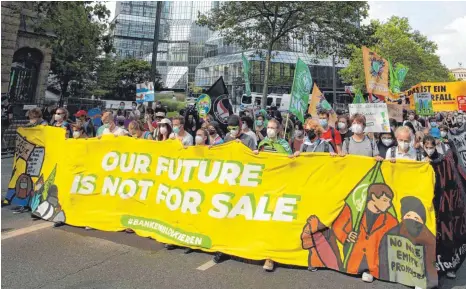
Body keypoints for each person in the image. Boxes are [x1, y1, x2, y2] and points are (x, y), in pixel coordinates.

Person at [332, 183, 398, 283]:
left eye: (389, 201)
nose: (389, 204)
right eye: (385, 200)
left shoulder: (391, 221)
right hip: (352, 261)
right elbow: (337, 226)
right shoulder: (355, 211)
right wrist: (346, 236)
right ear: (373, 197)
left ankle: (370, 270)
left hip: (375, 264)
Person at [378, 196, 437, 289]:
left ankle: (420, 279)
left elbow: (430, 262)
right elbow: (383, 254)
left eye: (416, 218)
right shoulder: (392, 233)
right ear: (403, 217)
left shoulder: (428, 237)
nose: (411, 220)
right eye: (408, 216)